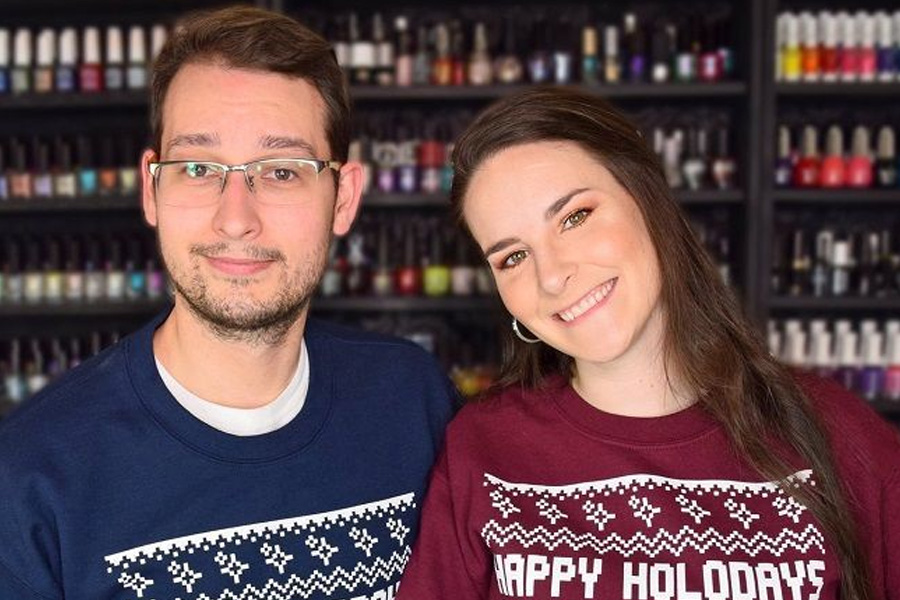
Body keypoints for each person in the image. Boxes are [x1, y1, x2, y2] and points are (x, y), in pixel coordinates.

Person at [0, 7, 455, 600]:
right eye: (197, 168)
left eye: (283, 171)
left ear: (343, 198)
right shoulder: (28, 477)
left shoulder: (413, 400)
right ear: (151, 189)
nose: (235, 218)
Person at [397, 87, 900, 599]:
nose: (551, 276)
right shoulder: (483, 448)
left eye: (575, 217)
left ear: (647, 198)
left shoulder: (841, 439)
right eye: (513, 257)